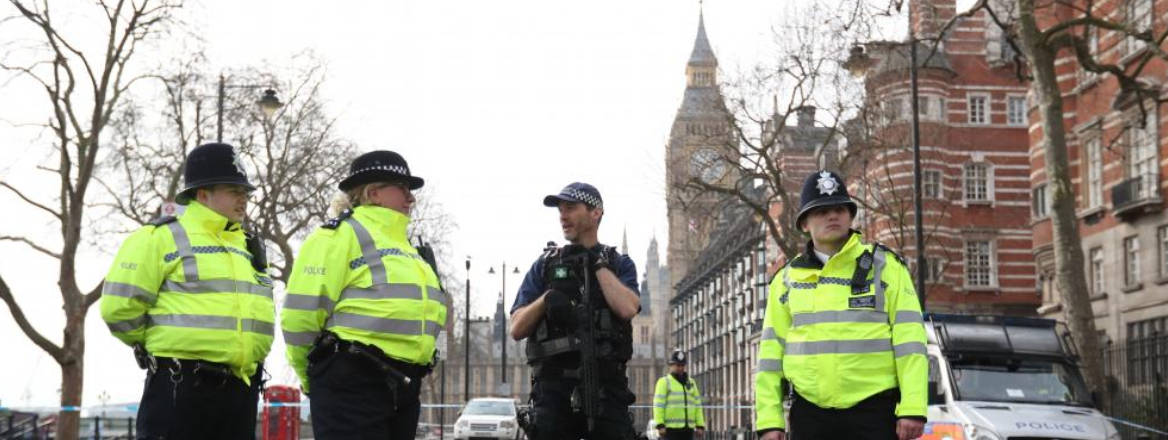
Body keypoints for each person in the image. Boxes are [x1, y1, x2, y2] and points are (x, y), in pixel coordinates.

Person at [100, 142, 274, 439]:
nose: (243, 199)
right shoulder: (158, 238)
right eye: (234, 191)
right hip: (180, 388)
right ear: (202, 194)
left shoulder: (248, 247)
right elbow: (118, 308)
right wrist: (161, 347)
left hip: (241, 392)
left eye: (245, 192)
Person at [281, 150, 447, 439]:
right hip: (352, 384)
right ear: (373, 193)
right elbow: (300, 317)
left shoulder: (410, 249)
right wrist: (312, 376)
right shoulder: (335, 238)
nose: (411, 198)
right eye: (403, 189)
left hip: (405, 386)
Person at [754, 170, 928, 440]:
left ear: (850, 216)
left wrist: (913, 407)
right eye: (821, 211)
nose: (832, 215)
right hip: (810, 415)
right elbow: (770, 355)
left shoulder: (886, 268)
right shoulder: (786, 280)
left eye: (839, 209)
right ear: (804, 224)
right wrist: (769, 420)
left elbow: (911, 342)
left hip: (875, 412)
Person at [510, 182, 641, 440]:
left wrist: (596, 263)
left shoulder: (618, 263)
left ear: (596, 213)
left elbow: (627, 307)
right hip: (553, 393)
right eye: (560, 209)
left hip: (606, 390)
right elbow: (516, 327)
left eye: (571, 207)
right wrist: (547, 299)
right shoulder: (545, 265)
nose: (563, 215)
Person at [653, 349, 706, 440]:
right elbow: (658, 405)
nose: (680, 368)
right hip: (670, 430)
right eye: (677, 365)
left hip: (688, 430)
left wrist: (700, 425)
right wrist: (660, 425)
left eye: (682, 365)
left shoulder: (691, 383)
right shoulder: (664, 382)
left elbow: (697, 405)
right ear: (671, 366)